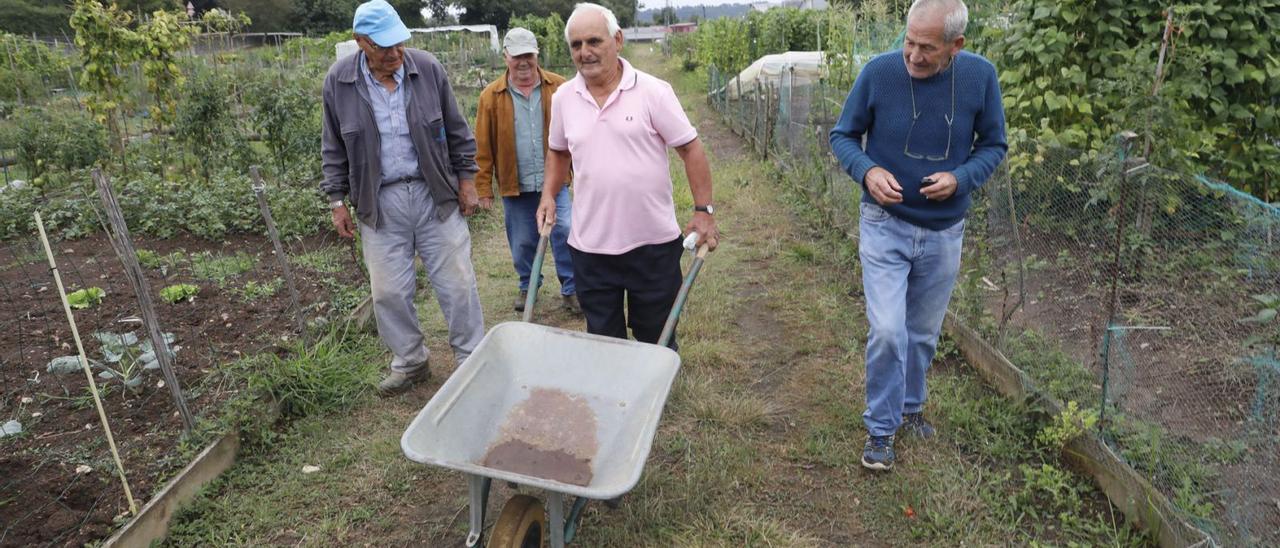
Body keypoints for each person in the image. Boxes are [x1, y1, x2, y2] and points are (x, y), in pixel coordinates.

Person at [828, 0, 1007, 471]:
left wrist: (962, 178)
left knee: (923, 334)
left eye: (926, 48)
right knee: (888, 331)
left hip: (944, 230)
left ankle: (910, 408)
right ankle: (881, 430)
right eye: (908, 42)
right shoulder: (879, 73)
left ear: (956, 46)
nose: (912, 55)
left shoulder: (979, 78)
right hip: (884, 224)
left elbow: (993, 145)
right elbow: (843, 135)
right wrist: (866, 171)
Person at [320, 0, 485, 396]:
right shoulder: (340, 81)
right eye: (383, 47)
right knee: (388, 291)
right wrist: (336, 200)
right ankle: (411, 362)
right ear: (361, 43)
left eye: (399, 44)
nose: (395, 53)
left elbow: (457, 128)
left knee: (457, 281)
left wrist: (467, 180)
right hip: (379, 202)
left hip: (434, 193)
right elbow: (333, 145)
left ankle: (472, 357)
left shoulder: (426, 69)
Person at [536, 2, 718, 350]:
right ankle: (617, 401)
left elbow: (691, 149)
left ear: (617, 40)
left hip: (652, 245)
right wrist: (548, 195)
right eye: (576, 45)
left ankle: (653, 401)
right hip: (590, 247)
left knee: (656, 337)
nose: (585, 52)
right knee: (604, 344)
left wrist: (703, 211)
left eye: (594, 41)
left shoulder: (653, 92)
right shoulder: (563, 99)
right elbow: (558, 151)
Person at [474, 28, 580, 315]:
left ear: (537, 55)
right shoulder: (491, 97)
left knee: (565, 232)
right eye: (517, 56)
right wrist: (483, 188)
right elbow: (483, 147)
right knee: (522, 241)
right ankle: (528, 284)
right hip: (515, 183)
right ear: (505, 56)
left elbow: (578, 134)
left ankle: (571, 289)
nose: (523, 62)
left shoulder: (559, 87)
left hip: (554, 181)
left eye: (528, 55)